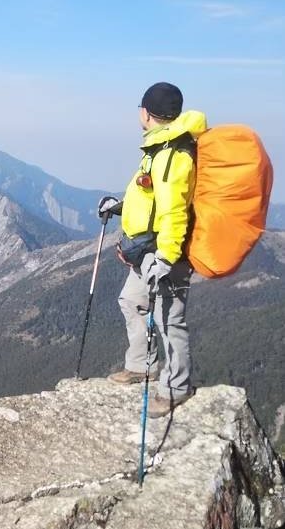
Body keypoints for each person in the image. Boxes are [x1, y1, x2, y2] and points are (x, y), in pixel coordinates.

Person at [98, 82, 207, 418]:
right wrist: (119, 207)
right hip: (146, 250)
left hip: (163, 253)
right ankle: (143, 366)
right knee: (131, 301)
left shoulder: (174, 154)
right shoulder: (159, 149)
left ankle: (175, 389)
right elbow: (150, 198)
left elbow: (174, 211)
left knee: (169, 320)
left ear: (146, 112)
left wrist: (167, 256)